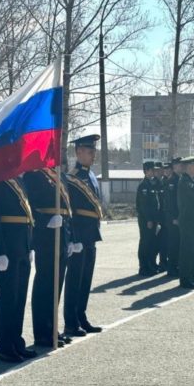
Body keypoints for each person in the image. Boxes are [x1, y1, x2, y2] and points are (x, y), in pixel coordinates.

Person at [23, 167, 80, 348]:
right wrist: (44, 221)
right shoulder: (32, 174)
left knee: (56, 285)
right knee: (45, 284)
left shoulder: (59, 175)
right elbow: (29, 205)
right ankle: (42, 332)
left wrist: (70, 238)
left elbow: (67, 209)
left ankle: (52, 328)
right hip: (46, 234)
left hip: (62, 232)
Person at [0, 175, 38, 362]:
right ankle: (4, 345)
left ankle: (16, 341)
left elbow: (27, 217)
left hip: (22, 246)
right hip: (8, 248)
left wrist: (30, 245)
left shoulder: (20, 181)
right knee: (8, 297)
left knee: (19, 298)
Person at [64, 134, 104, 337]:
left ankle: (81, 316)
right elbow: (70, 211)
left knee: (86, 279)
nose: (93, 154)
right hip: (79, 234)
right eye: (90, 151)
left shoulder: (90, 176)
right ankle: (71, 322)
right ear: (79, 152)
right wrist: (73, 238)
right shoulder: (72, 178)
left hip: (91, 234)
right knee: (74, 280)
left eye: (94, 151)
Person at [177, 157, 194, 289]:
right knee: (186, 251)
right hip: (187, 221)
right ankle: (185, 279)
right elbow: (192, 197)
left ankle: (189, 277)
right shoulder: (184, 181)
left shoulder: (190, 180)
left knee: (191, 251)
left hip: (192, 221)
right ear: (188, 167)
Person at [136, 161, 160, 276]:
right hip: (146, 220)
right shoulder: (143, 186)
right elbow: (144, 206)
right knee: (145, 243)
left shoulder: (152, 184)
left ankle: (151, 265)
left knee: (152, 243)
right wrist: (149, 220)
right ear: (146, 171)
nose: (153, 172)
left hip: (153, 219)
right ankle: (143, 267)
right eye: (151, 170)